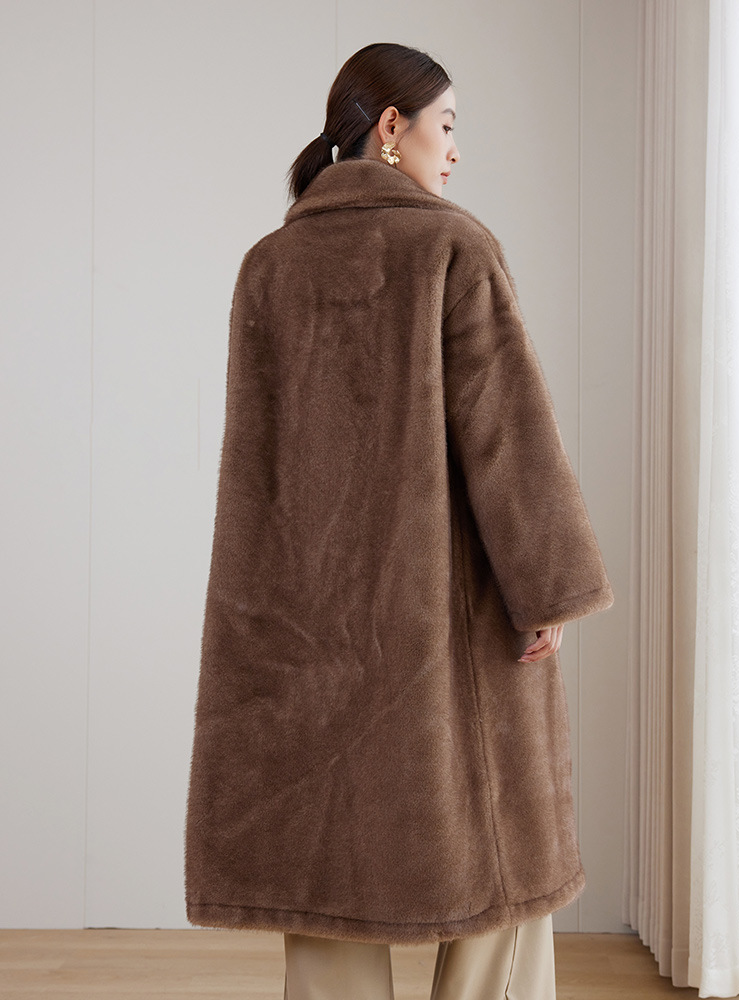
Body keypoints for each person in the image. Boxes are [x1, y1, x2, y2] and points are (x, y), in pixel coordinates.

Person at [184, 41, 614, 1000]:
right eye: (446, 125)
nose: (455, 149)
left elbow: (256, 470)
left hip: (301, 627)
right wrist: (547, 588)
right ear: (391, 126)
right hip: (444, 617)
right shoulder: (453, 247)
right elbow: (507, 435)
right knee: (509, 859)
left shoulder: (269, 265)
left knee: (324, 870)